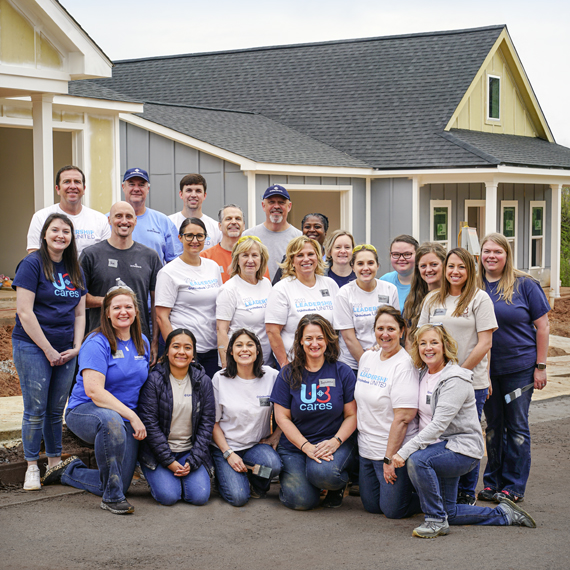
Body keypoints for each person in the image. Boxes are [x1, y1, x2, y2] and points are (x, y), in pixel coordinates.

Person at [392, 323, 537, 538]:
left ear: (445, 346)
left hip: (460, 450)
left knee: (417, 460)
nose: (428, 348)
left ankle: (435, 520)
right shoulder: (423, 372)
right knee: (451, 512)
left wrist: (403, 451)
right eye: (423, 343)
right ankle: (505, 514)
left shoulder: (455, 379)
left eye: (434, 342)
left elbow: (438, 425)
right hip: (439, 449)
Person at [58, 287, 150, 515]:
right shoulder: (96, 342)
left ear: (136, 311)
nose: (123, 311)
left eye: (128, 306)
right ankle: (111, 499)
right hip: (86, 411)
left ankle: (68, 471)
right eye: (116, 307)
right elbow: (94, 391)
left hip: (125, 418)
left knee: (118, 480)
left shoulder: (143, 343)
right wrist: (132, 416)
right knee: (111, 421)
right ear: (107, 313)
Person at [12, 213, 86, 491]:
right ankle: (32, 465)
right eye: (55, 230)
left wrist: (76, 347)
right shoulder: (31, 264)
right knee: (35, 410)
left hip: (66, 349)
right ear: (44, 234)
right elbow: (24, 312)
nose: (60, 235)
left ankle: (54, 463)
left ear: (71, 238)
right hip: (32, 346)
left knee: (56, 411)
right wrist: (48, 349)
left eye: (66, 231)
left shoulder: (74, 267)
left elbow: (79, 314)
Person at [418, 247, 497, 505]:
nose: (455, 271)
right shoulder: (432, 300)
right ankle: (442, 488)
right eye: (451, 266)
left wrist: (459, 374)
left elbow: (485, 343)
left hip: (470, 382)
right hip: (435, 382)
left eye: (461, 267)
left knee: (466, 437)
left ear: (470, 270)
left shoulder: (479, 299)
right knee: (440, 433)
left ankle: (465, 491)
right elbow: (421, 338)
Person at [476, 233, 550, 504]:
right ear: (480, 254)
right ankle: (492, 483)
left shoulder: (525, 285)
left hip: (519, 368)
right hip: (487, 370)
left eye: (497, 251)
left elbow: (543, 326)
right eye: (487, 251)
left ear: (507, 255)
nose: (491, 256)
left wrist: (540, 366)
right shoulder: (475, 284)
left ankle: (514, 486)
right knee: (493, 426)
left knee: (516, 426)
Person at [271, 314, 357, 510]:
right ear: (300, 341)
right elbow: (282, 418)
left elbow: (352, 415)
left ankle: (333, 486)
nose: (314, 343)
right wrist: (306, 446)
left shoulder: (342, 372)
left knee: (324, 475)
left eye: (319, 337)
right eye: (308, 338)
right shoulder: (288, 373)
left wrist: (336, 442)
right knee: (301, 501)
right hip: (295, 447)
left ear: (327, 339)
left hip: (332, 441)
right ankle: (303, 482)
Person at [355, 306, 421, 518]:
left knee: (393, 510)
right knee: (372, 506)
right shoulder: (367, 358)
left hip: (391, 451)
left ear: (402, 332)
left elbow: (403, 418)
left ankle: (437, 496)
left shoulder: (405, 365)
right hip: (366, 449)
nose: (385, 334)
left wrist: (389, 459)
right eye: (380, 328)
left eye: (391, 329)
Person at [137, 328, 215, 506]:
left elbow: (207, 423)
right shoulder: (154, 380)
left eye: (187, 348)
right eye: (176, 346)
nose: (181, 352)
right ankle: (158, 476)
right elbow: (150, 424)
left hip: (189, 451)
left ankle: (182, 476)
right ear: (168, 351)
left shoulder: (203, 381)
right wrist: (169, 461)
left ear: (193, 353)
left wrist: (194, 460)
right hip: (159, 453)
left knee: (199, 497)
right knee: (169, 496)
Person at [80, 201, 162, 364]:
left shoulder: (150, 256)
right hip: (101, 340)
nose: (124, 221)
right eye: (118, 216)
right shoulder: (91, 255)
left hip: (138, 340)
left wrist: (154, 341)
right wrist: (113, 303)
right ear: (109, 220)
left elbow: (157, 303)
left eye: (129, 217)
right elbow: (79, 299)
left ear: (135, 221)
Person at [211, 330, 282, 506]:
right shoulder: (220, 379)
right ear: (231, 352)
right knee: (238, 497)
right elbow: (213, 423)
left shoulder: (271, 376)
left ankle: (256, 484)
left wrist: (276, 436)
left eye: (250, 345)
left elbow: (287, 412)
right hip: (226, 447)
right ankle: (224, 475)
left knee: (272, 466)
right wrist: (228, 454)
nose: (245, 349)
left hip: (256, 447)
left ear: (258, 351)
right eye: (239, 345)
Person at [155, 217, 222, 379]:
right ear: (180, 238)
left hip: (212, 348)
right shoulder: (169, 272)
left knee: (210, 399)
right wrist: (178, 350)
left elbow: (220, 305)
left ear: (205, 238)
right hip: (185, 352)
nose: (194, 240)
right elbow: (161, 317)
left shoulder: (212, 267)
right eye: (189, 235)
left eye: (199, 236)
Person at [266, 236, 339, 368]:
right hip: (295, 364)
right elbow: (272, 331)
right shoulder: (281, 289)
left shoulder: (330, 285)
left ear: (318, 257)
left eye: (311, 254)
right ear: (292, 261)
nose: (306, 259)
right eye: (300, 255)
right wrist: (285, 365)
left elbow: (338, 328)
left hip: (327, 363)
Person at [335, 245, 399, 372]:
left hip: (385, 359)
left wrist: (382, 356)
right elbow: (349, 338)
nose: (366, 268)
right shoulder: (344, 294)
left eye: (370, 263)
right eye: (360, 264)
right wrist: (368, 364)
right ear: (352, 267)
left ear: (377, 265)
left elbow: (395, 328)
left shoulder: (390, 289)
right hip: (353, 365)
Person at [27, 165, 110, 256]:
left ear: (84, 189)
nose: (73, 186)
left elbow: (106, 257)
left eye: (77, 182)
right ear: (58, 189)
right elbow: (33, 255)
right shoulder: (41, 217)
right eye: (67, 182)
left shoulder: (100, 219)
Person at [216, 236, 273, 367]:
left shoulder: (266, 284)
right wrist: (226, 365)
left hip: (265, 361)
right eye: (245, 255)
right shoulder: (229, 289)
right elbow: (221, 330)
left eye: (255, 255)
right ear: (237, 259)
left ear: (262, 259)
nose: (250, 260)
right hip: (238, 363)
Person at [122, 167, 182, 264]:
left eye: (141, 185)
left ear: (148, 189)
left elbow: (175, 262)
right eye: (131, 184)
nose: (136, 189)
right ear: (123, 187)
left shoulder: (163, 221)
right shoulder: (110, 221)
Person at [242, 185, 302, 280]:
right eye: (271, 202)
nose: (276, 206)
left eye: (281, 202)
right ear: (263, 206)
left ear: (289, 206)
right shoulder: (248, 236)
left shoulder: (299, 237)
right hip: (256, 291)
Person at [201, 204, 270, 283]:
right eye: (228, 219)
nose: (233, 222)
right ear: (220, 226)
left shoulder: (255, 258)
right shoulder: (205, 257)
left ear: (243, 226)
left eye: (238, 219)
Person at [403, 242, 447, 347]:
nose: (428, 270)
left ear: (445, 264)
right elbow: (409, 340)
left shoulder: (454, 295)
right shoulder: (412, 299)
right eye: (423, 266)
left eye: (434, 264)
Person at [169, 173, 222, 251]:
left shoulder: (216, 228)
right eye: (189, 190)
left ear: (204, 195)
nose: (193, 195)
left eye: (198, 191)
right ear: (181, 194)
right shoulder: (168, 223)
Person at [272, 213, 328, 284]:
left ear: (325, 233)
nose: (311, 230)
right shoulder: (289, 258)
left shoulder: (333, 259)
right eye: (307, 227)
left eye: (317, 227)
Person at [380, 234, 419, 309]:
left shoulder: (425, 282)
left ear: (417, 255)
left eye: (407, 254)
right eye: (396, 254)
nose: (401, 258)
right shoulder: (384, 281)